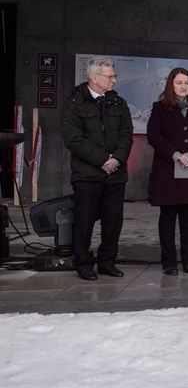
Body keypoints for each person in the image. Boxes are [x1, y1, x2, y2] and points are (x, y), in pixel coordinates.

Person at [60, 56, 134, 280]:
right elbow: (73, 139)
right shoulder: (74, 102)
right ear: (94, 77)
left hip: (116, 174)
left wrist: (117, 159)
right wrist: (103, 159)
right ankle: (83, 264)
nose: (114, 80)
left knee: (113, 222)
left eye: (113, 76)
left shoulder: (118, 103)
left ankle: (107, 262)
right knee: (84, 222)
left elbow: (126, 135)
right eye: (110, 76)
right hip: (87, 174)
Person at [147, 67, 188, 276]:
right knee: (167, 218)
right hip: (168, 169)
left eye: (187, 82)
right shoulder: (159, 108)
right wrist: (175, 154)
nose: (183, 86)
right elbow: (154, 135)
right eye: (179, 82)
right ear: (171, 85)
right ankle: (169, 262)